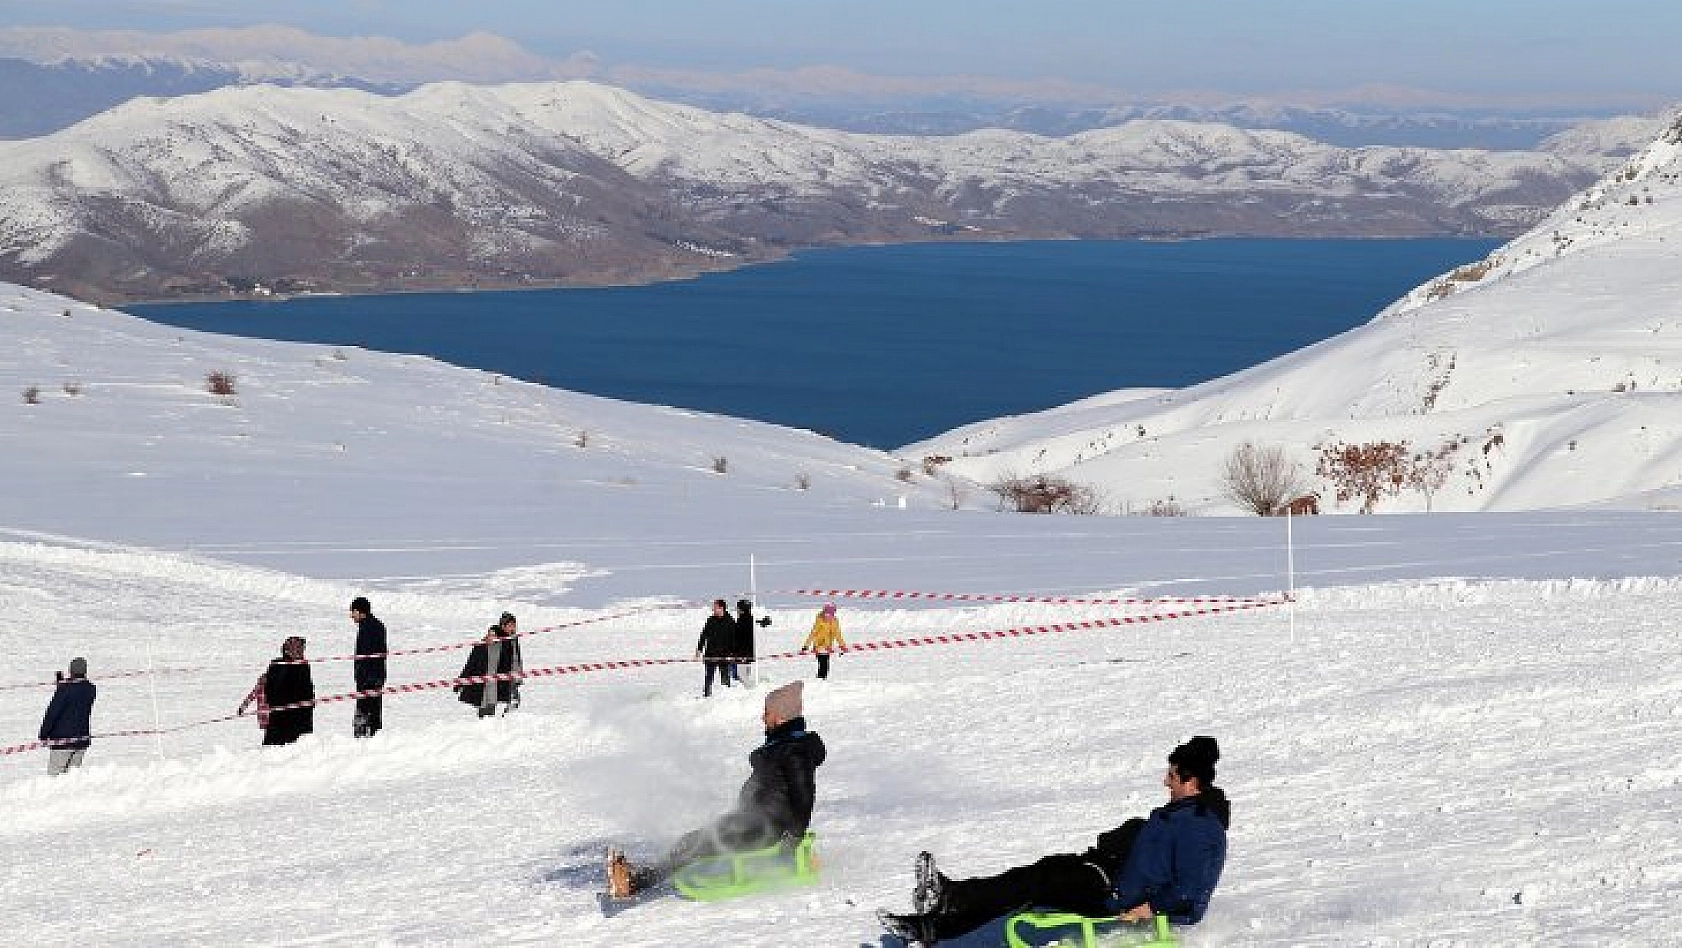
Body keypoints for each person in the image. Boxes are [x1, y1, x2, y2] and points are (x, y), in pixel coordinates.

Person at [879, 736, 1229, 947]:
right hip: (1105, 874)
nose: (1164, 781)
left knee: (1035, 882)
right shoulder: (1182, 814)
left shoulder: (1199, 828)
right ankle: (930, 924)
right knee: (1028, 880)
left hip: (1115, 895)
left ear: (1192, 780)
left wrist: (1150, 909)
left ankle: (947, 900)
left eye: (1171, 775)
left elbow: (1192, 891)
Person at [608, 681, 825, 897]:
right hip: (752, 820)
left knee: (699, 845)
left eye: (766, 713)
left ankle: (634, 883)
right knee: (691, 840)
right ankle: (643, 875)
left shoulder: (795, 753)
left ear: (781, 717)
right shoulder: (783, 747)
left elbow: (804, 797)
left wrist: (795, 837)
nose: (763, 718)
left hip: (768, 829)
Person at [455, 612, 523, 717]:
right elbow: (472, 662)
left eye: (514, 625)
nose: (513, 628)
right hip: (488, 682)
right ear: (503, 626)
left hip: (505, 680)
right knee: (488, 705)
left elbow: (516, 659)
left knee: (512, 703)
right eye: (510, 625)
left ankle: (502, 722)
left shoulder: (512, 639)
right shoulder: (490, 640)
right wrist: (461, 681)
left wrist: (517, 677)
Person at [39, 657, 96, 775]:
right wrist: (62, 685)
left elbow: (52, 713)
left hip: (62, 742)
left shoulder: (65, 689)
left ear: (71, 670)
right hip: (82, 740)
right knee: (72, 778)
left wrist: (43, 735)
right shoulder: (91, 688)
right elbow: (77, 693)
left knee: (54, 777)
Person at [262, 637, 315, 746]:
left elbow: (307, 689)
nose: (301, 652)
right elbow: (271, 690)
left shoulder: (279, 664)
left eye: (302, 649)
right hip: (289, 718)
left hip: (289, 715)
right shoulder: (285, 665)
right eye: (298, 649)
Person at [349, 596, 388, 738]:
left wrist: (363, 678)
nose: (351, 615)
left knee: (366, 712)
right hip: (375, 677)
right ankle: (373, 737)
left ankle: (364, 740)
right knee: (374, 711)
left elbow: (369, 656)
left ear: (360, 611)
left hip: (368, 678)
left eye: (353, 611)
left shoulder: (368, 628)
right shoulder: (375, 625)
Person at [696, 599, 736, 697]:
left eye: (715, 608)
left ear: (721, 608)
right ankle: (706, 695)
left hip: (724, 656)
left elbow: (735, 640)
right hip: (710, 654)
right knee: (708, 677)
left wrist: (732, 654)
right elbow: (703, 635)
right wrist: (699, 649)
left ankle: (727, 697)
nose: (713, 609)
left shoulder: (730, 621)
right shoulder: (710, 620)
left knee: (725, 678)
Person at [731, 598, 771, 686]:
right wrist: (762, 622)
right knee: (743, 676)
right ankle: (758, 684)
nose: (737, 610)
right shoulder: (749, 619)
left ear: (741, 609)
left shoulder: (742, 620)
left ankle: (760, 685)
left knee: (743, 677)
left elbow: (737, 637)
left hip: (741, 654)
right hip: (747, 653)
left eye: (738, 608)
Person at [800, 603, 845, 680]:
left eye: (830, 615)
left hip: (827, 646)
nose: (827, 617)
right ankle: (819, 680)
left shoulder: (834, 621)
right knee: (822, 664)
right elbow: (813, 633)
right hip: (819, 646)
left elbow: (837, 634)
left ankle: (822, 680)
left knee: (826, 666)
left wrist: (842, 645)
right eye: (826, 614)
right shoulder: (819, 620)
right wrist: (806, 646)